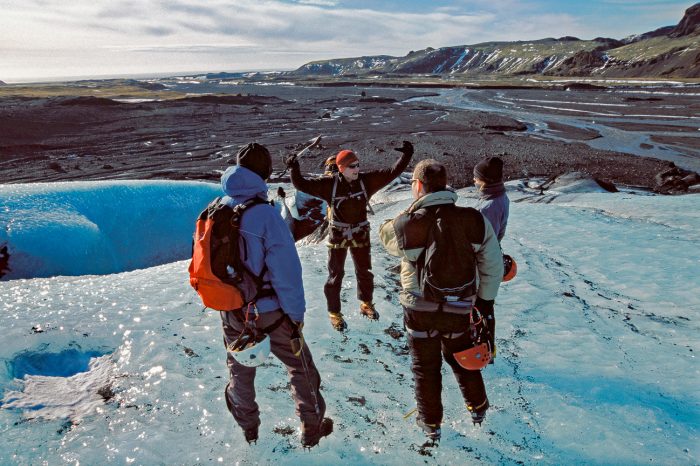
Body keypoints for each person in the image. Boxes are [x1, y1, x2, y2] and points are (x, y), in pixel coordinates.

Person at [379, 159, 503, 441]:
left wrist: (411, 210)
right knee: (461, 357)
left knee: (425, 367)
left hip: (418, 307)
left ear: (419, 185)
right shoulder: (473, 219)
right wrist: (485, 301)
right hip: (460, 306)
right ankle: (478, 407)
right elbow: (492, 265)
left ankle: (430, 424)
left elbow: (385, 238)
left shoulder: (410, 223)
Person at [219, 142, 332, 448]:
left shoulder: (219, 208)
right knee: (300, 366)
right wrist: (295, 318)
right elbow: (287, 273)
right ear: (266, 173)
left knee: (240, 369)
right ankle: (312, 428)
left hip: (231, 309)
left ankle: (249, 430)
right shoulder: (266, 216)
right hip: (270, 311)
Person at [288, 141, 414, 331]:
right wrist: (294, 168)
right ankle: (335, 314)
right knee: (335, 275)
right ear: (340, 168)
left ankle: (366, 304)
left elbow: (391, 173)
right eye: (352, 166)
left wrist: (406, 156)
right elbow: (301, 184)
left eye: (358, 165)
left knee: (364, 272)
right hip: (338, 236)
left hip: (360, 234)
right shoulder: (328, 184)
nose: (357, 169)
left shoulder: (365, 181)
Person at [473, 156, 509, 243]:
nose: (474, 179)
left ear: (485, 181)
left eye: (476, 177)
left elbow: (487, 243)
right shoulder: (501, 195)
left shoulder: (488, 208)